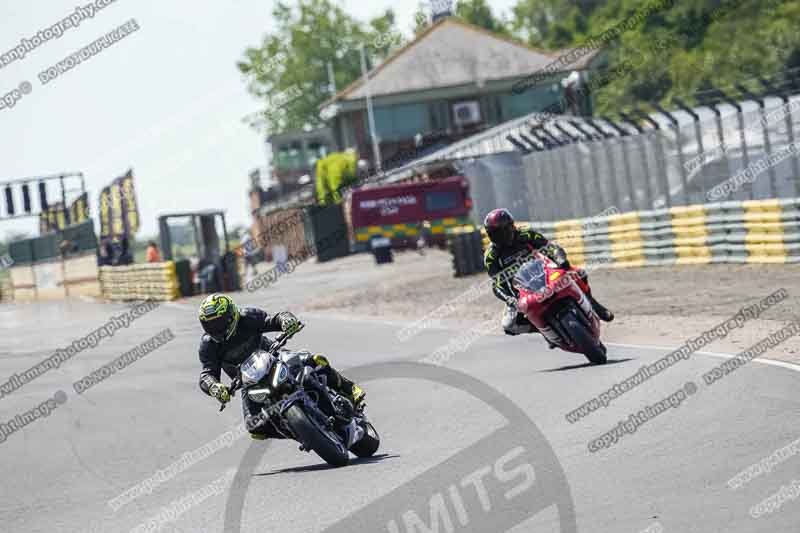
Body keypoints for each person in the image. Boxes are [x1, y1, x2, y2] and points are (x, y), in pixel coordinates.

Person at [197, 293, 365, 439]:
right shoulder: (208, 345)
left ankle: (349, 389)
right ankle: (296, 431)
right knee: (255, 428)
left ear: (231, 314)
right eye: (209, 325)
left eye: (218, 323)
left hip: (275, 357)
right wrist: (215, 387)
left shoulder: (247, 317)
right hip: (248, 382)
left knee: (312, 360)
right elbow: (207, 374)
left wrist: (287, 321)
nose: (215, 329)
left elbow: (274, 319)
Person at [483, 208, 614, 336]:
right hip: (519, 291)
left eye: (503, 231)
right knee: (509, 326)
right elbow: (498, 283)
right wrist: (510, 299)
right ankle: (545, 330)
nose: (501, 236)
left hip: (544, 272)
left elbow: (549, 247)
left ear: (511, 226)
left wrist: (561, 261)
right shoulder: (491, 256)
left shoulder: (526, 234)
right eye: (495, 233)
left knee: (578, 273)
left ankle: (594, 305)